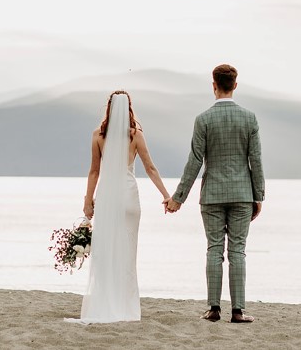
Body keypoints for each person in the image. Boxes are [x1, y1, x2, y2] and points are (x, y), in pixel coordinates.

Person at [167, 64, 264, 323]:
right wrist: (259, 196)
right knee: (238, 252)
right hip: (243, 193)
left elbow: (195, 160)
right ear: (235, 85)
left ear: (214, 85)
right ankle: (238, 311)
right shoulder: (250, 118)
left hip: (212, 195)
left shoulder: (203, 119)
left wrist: (179, 197)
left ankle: (213, 309)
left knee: (213, 250)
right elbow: (256, 160)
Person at [73, 90, 171, 323]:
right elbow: (151, 168)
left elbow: (94, 171)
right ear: (129, 108)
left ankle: (106, 301)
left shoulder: (98, 135)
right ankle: (125, 305)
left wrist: (88, 201)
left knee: (106, 251)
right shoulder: (135, 135)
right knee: (128, 252)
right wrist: (166, 195)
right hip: (128, 197)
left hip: (107, 196)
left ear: (108, 108)